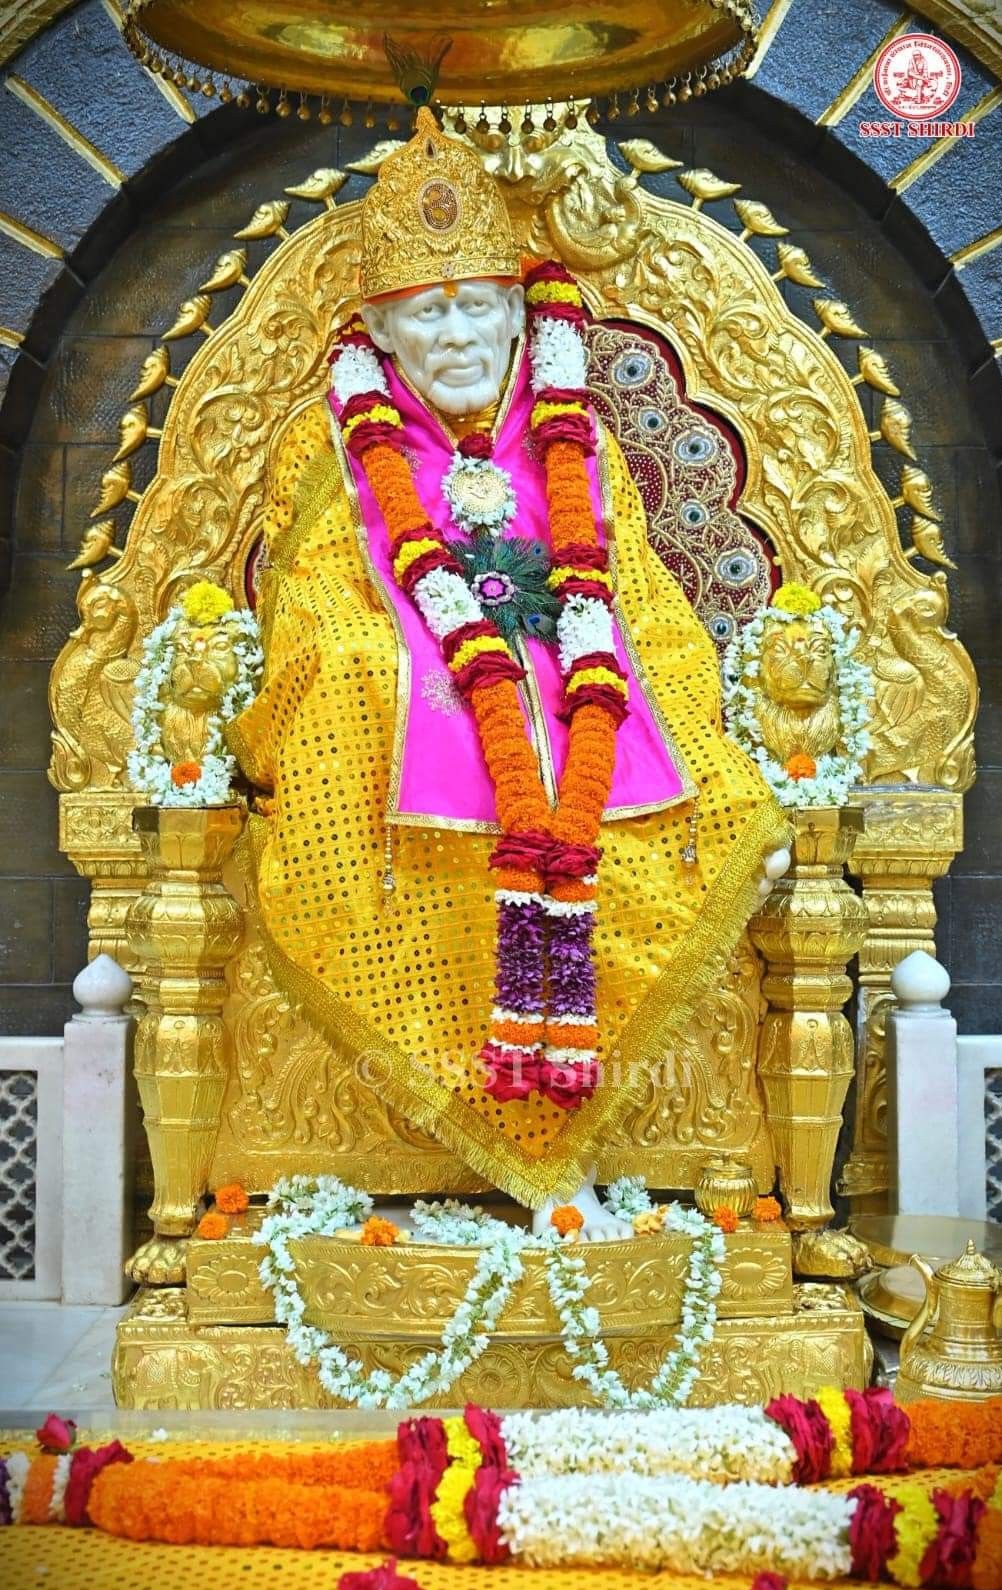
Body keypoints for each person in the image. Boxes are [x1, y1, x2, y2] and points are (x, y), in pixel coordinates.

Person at [229, 110, 790, 1238]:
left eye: (477, 307)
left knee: (690, 806)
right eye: (428, 314)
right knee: (360, 683)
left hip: (587, 726)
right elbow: (319, 610)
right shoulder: (331, 446)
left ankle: (604, 1136)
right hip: (408, 738)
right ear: (381, 333)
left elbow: (644, 608)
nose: (458, 337)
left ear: (519, 315)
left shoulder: (570, 438)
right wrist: (396, 668)